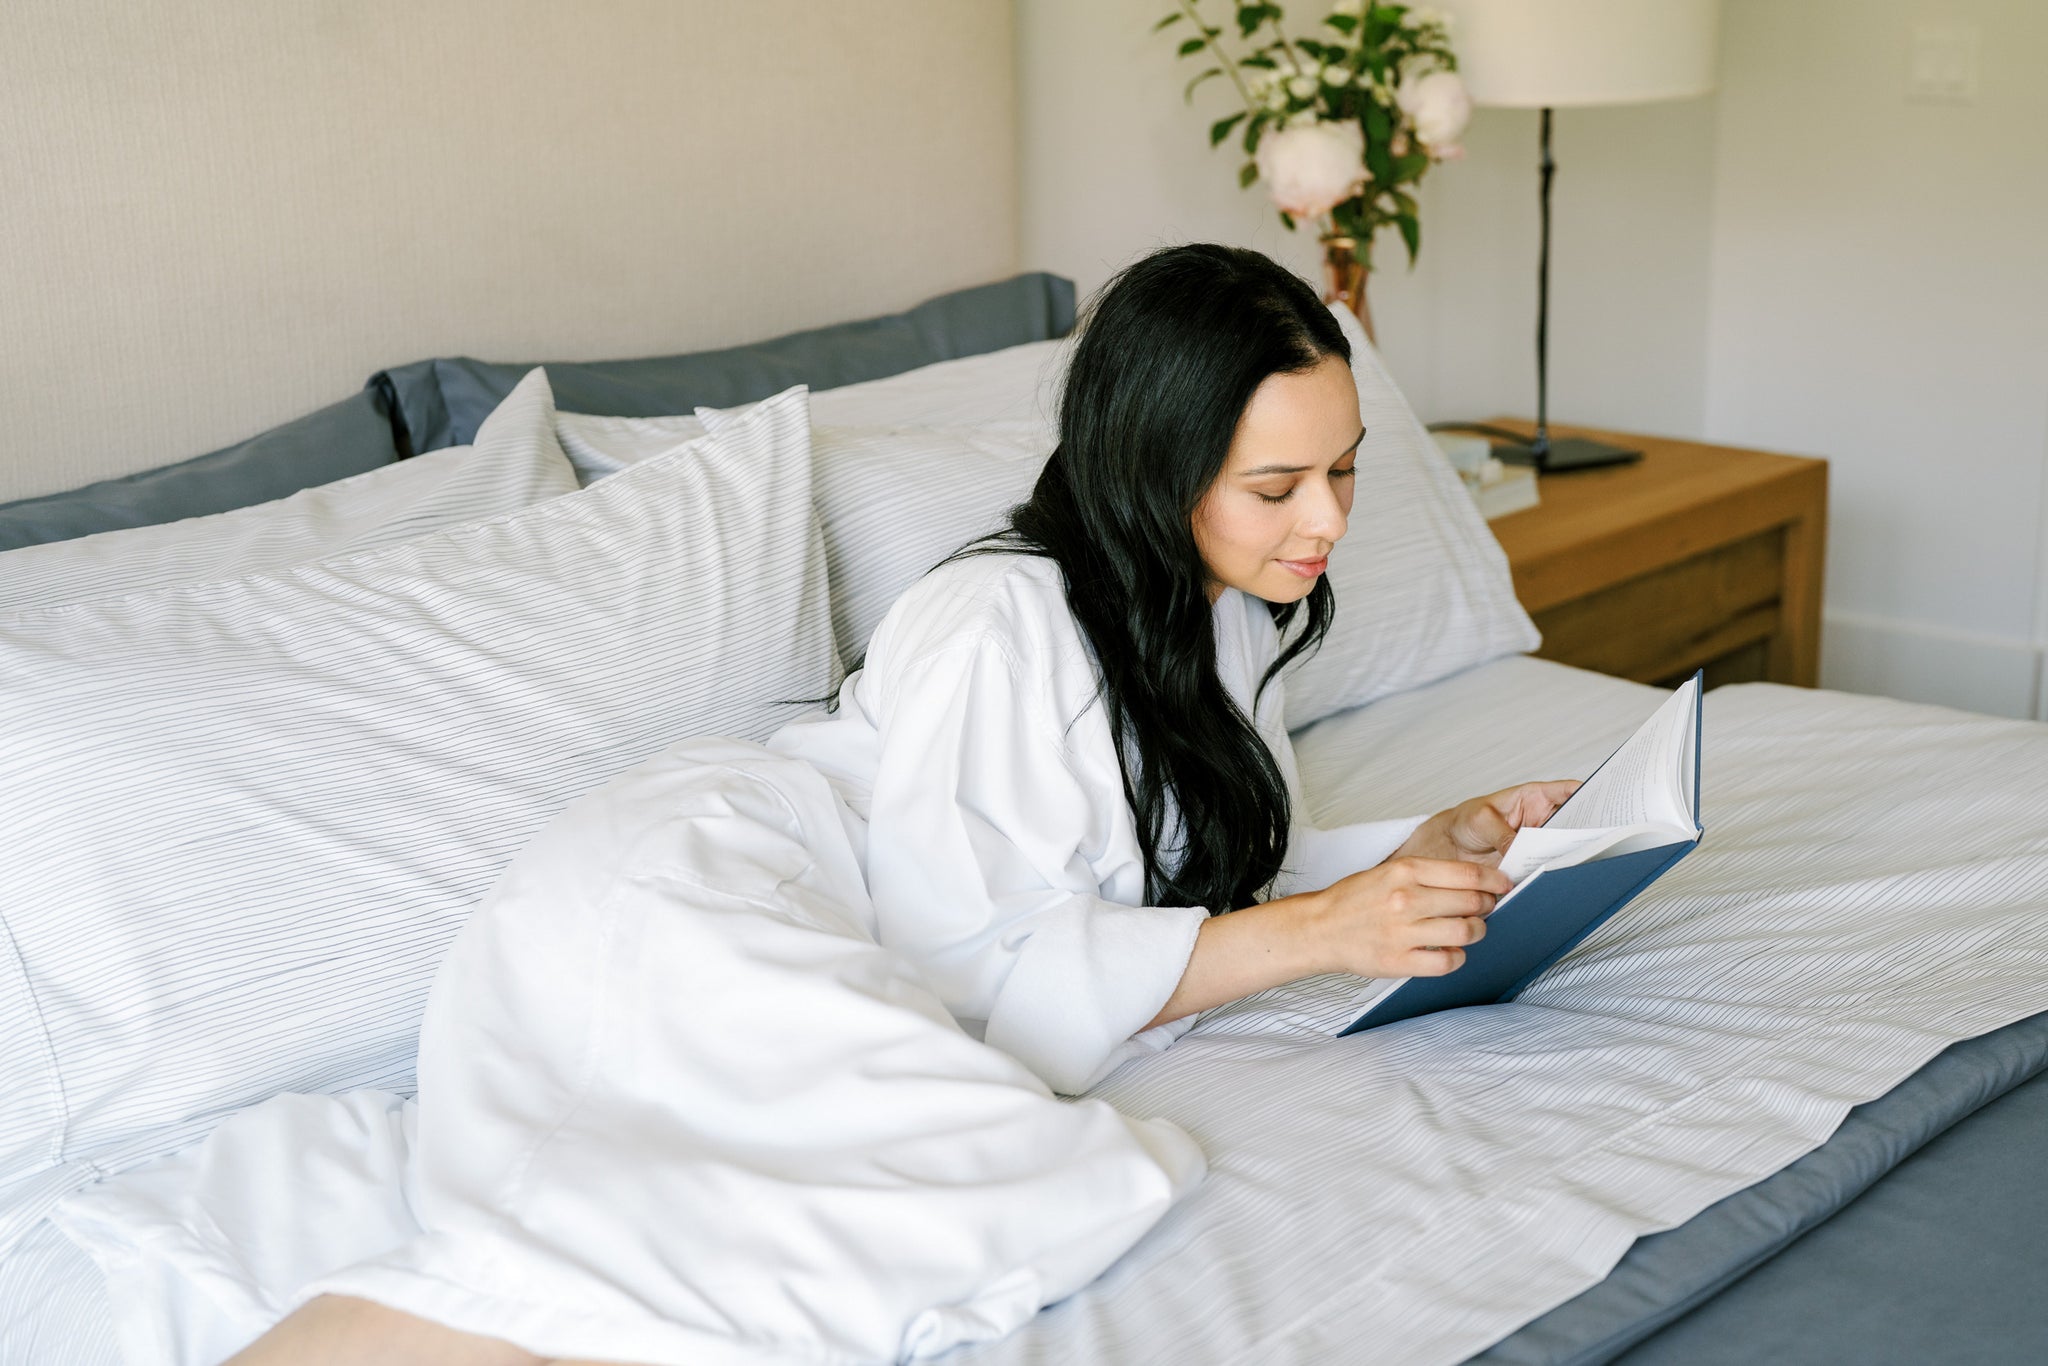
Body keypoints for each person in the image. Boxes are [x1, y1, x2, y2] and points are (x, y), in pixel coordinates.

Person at [215, 243, 1576, 1364]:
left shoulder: (1225, 618)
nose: (1326, 520)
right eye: (1277, 486)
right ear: (1154, 468)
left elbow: (1166, 873)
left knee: (988, 1183)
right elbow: (989, 961)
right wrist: (1323, 931)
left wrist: (1409, 853)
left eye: (1343, 470)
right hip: (702, 889)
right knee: (975, 1180)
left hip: (838, 908)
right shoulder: (1003, 621)